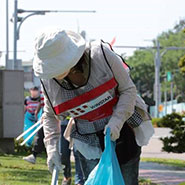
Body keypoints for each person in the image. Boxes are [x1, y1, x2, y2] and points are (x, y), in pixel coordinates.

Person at [33, 28, 154, 185]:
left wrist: (116, 122)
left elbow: (128, 90)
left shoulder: (101, 56)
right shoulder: (49, 81)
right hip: (87, 139)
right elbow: (49, 116)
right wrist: (51, 150)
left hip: (122, 130)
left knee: (127, 180)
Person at [23, 90, 45, 163]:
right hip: (46, 114)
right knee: (40, 134)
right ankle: (34, 155)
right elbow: (42, 103)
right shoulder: (43, 88)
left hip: (55, 115)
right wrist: (38, 113)